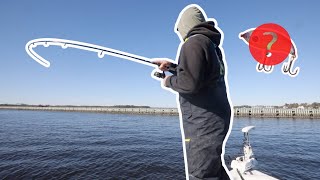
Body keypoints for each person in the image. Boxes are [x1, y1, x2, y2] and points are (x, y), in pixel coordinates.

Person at [153, 4, 232, 180]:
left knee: (201, 174)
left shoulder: (193, 42)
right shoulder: (210, 45)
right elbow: (199, 75)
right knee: (214, 170)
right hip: (215, 119)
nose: (180, 36)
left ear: (186, 26)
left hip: (202, 123)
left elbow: (190, 83)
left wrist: (168, 81)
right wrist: (173, 67)